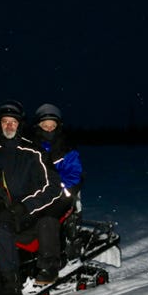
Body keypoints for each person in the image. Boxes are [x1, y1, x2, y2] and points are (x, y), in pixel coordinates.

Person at [0, 100, 63, 295]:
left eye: (13, 122)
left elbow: (52, 187)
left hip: (26, 211)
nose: (9, 126)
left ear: (19, 125)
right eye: (5, 122)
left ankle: (11, 286)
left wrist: (25, 206)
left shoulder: (33, 153)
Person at [28, 103, 84, 284]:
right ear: (39, 126)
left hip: (61, 194)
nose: (49, 129)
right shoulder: (29, 148)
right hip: (35, 195)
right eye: (45, 126)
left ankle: (49, 266)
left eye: (52, 126)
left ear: (58, 126)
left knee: (46, 219)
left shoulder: (66, 149)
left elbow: (74, 174)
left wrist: (60, 189)